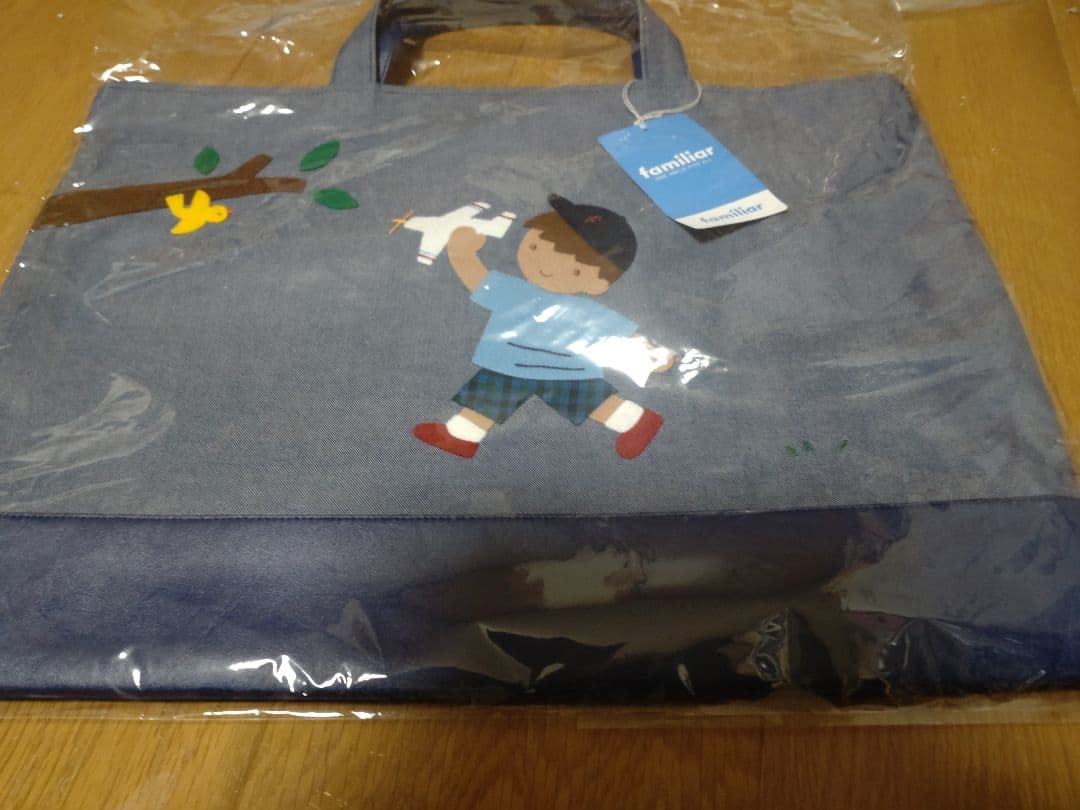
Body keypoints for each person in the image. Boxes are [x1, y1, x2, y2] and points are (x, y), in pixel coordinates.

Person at [414, 194, 673, 460]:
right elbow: (476, 278)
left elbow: (622, 333)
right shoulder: (515, 291)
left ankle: (636, 422)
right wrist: (462, 252)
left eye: (576, 270)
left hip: (564, 369)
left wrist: (653, 355)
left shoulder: (585, 311)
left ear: (598, 285)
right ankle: (461, 436)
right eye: (536, 247)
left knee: (591, 401)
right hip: (512, 364)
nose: (546, 265)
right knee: (489, 395)